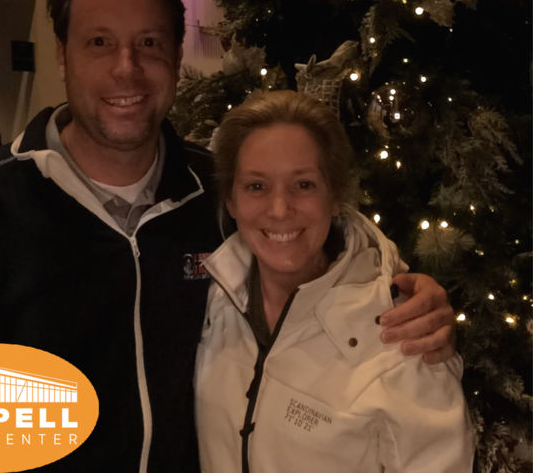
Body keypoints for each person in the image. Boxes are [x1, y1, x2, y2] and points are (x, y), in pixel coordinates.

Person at [0, 0, 454, 472]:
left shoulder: (217, 192)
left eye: (149, 43)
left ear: (176, 57)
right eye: (99, 42)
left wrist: (405, 293)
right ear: (62, 55)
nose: (127, 68)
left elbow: (315, 233)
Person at [195, 90, 475, 472]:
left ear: (334, 196)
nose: (279, 209)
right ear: (231, 201)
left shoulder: (404, 337)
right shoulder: (214, 300)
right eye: (256, 186)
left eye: (304, 185)